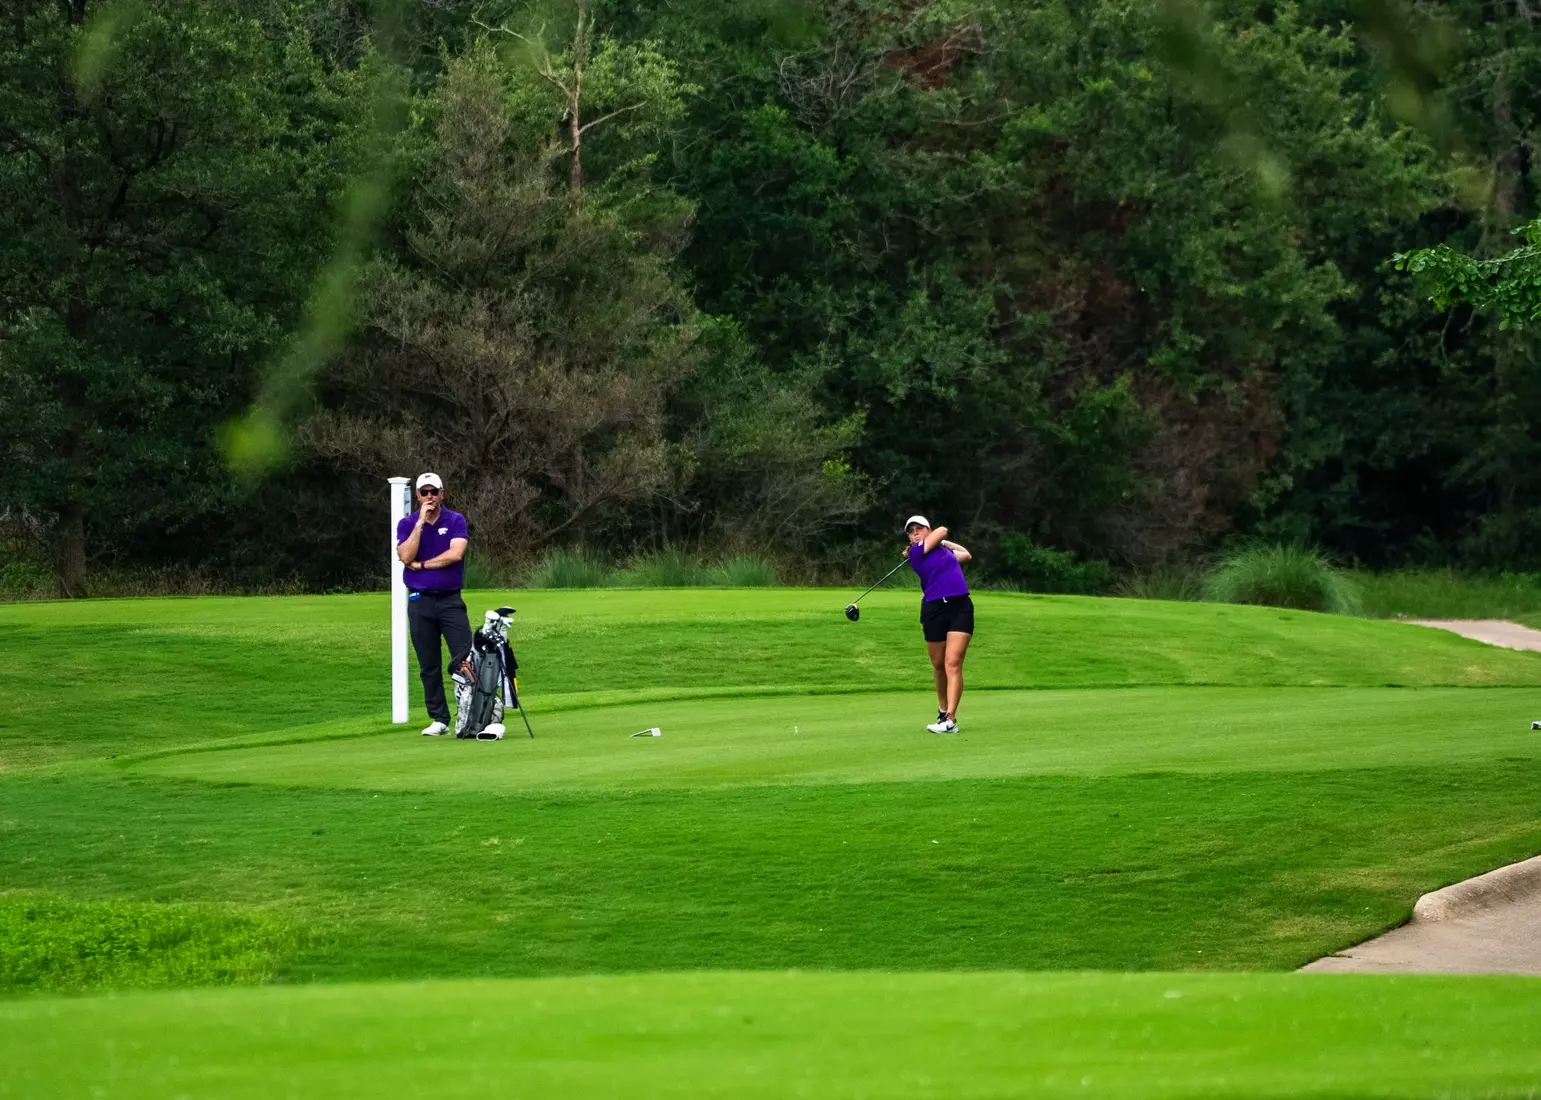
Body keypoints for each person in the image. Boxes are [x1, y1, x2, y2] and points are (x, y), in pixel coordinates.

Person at [396, 472, 471, 736]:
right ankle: (439, 718)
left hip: (450, 600)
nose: (430, 497)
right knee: (428, 664)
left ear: (442, 494)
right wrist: (420, 523)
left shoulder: (455, 520)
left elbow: (456, 553)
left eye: (434, 492)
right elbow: (405, 556)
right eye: (424, 492)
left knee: (465, 659)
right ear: (417, 496)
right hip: (420, 601)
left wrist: (424, 565)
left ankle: (473, 713)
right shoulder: (407, 524)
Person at [904, 515, 973, 734]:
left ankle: (950, 719)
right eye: (911, 531)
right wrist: (936, 538)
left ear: (928, 529)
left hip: (960, 607)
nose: (915, 532)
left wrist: (942, 543)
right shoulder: (915, 553)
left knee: (953, 663)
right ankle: (942, 710)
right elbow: (942, 529)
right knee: (938, 665)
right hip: (934, 609)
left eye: (919, 528)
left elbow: (966, 554)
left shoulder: (945, 552)